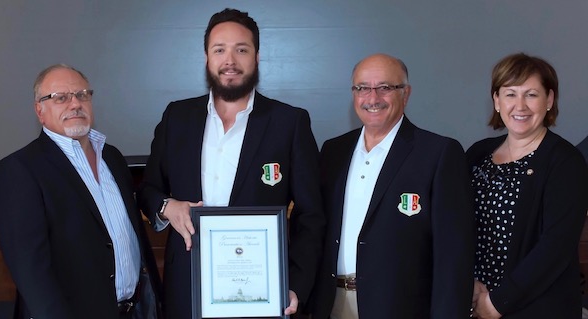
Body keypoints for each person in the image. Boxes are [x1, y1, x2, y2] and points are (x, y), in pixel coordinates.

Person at [136, 8, 325, 318]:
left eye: (241, 50)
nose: (230, 61)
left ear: (258, 56)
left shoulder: (289, 122)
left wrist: (296, 285)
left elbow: (311, 215)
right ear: (207, 57)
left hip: (262, 289)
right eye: (219, 49)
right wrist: (166, 205)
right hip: (188, 284)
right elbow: (149, 190)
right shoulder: (177, 118)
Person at [307, 53, 476, 318]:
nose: (372, 98)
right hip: (332, 304)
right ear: (354, 94)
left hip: (401, 308)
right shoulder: (333, 151)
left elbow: (453, 255)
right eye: (362, 88)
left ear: (405, 94)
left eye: (385, 88)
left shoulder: (438, 153)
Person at [0, 64, 162, 318]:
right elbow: (30, 270)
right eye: (60, 98)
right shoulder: (20, 170)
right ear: (40, 110)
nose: (75, 104)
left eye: (82, 95)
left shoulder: (112, 158)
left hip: (135, 310)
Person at [466, 53, 588, 318]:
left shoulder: (565, 161)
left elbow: (555, 248)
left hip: (535, 308)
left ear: (550, 100)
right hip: (476, 302)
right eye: (510, 94)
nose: (519, 106)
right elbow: (455, 225)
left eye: (531, 94)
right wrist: (468, 285)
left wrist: (498, 303)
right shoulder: (477, 154)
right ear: (496, 101)